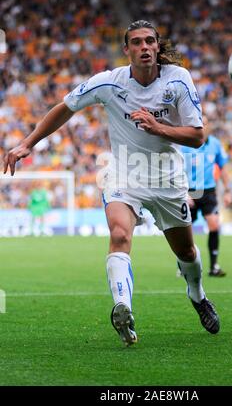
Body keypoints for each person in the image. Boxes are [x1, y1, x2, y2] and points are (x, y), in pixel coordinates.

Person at [3, 20, 220, 346]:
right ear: (127, 49)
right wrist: (28, 143)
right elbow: (65, 107)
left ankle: (197, 293)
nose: (144, 47)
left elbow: (198, 136)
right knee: (119, 234)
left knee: (187, 250)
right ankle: (123, 310)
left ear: (158, 46)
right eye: (136, 42)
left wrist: (157, 128)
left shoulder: (178, 80)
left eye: (149, 41)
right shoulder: (108, 83)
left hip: (167, 177)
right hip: (124, 173)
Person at [181, 115, 232, 277]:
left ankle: (214, 266)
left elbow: (223, 167)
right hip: (189, 191)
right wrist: (183, 194)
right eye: (199, 124)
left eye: (205, 124)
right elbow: (176, 170)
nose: (202, 126)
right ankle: (184, 263)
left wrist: (228, 190)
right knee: (184, 230)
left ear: (209, 126)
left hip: (208, 191)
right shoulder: (185, 145)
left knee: (214, 225)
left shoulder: (215, 144)